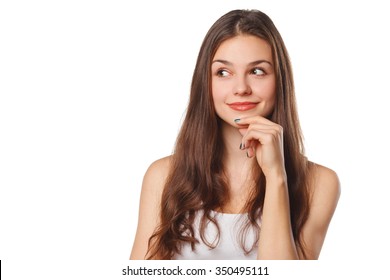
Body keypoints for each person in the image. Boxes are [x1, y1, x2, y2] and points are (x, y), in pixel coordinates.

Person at [130, 9, 340, 260]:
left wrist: (276, 177)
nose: (241, 88)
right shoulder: (163, 176)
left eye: (257, 71)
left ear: (279, 81)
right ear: (205, 83)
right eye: (223, 73)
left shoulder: (319, 183)